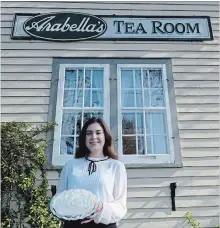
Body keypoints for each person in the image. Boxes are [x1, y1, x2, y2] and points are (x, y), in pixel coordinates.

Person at [56, 117, 127, 228]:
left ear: (105, 136)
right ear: (84, 138)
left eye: (98, 133)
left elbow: (120, 206)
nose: (94, 137)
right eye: (89, 133)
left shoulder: (116, 166)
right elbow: (60, 198)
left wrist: (101, 208)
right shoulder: (71, 165)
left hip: (104, 225)